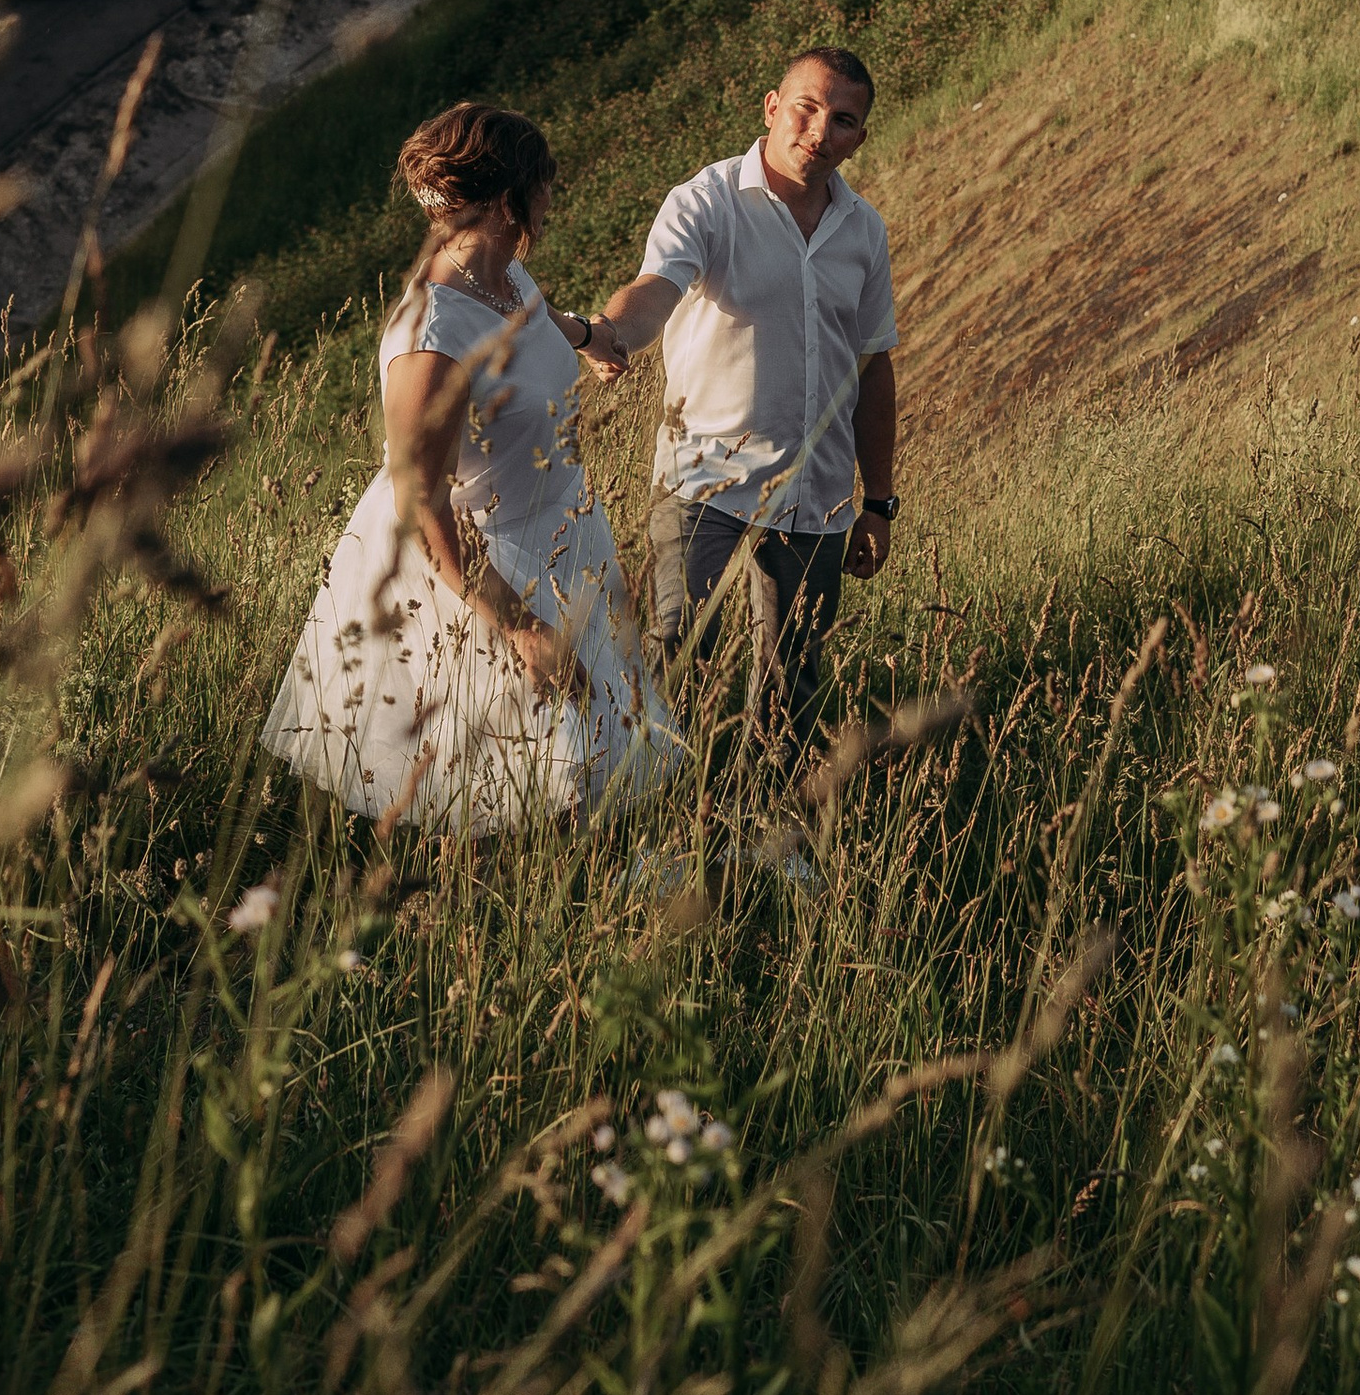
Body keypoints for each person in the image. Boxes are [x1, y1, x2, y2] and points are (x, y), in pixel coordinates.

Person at [262, 102, 682, 832]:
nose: (551, 198)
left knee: (596, 750)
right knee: (518, 780)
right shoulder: (431, 335)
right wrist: (519, 627)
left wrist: (590, 337)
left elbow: (534, 316)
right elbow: (417, 504)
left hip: (564, 534)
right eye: (542, 185)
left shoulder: (502, 272)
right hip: (487, 568)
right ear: (501, 201)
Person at [585, 48, 899, 764]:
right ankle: (653, 821)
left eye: (843, 120)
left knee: (795, 682)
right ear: (771, 107)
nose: (819, 132)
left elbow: (874, 367)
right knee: (675, 654)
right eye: (806, 109)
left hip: (816, 496)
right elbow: (654, 290)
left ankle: (773, 837)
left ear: (859, 136)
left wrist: (878, 502)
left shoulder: (863, 231)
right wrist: (613, 335)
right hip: (706, 483)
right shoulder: (705, 201)